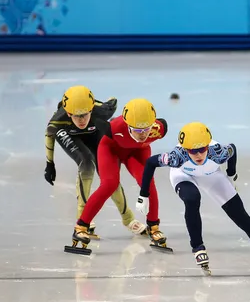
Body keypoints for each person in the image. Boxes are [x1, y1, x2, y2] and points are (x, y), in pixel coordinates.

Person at [136, 122, 250, 275]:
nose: (198, 154)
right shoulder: (177, 156)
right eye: (193, 151)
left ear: (208, 145)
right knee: (192, 199)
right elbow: (151, 163)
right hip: (183, 175)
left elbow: (233, 150)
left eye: (202, 149)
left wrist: (232, 174)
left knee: (241, 217)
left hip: (211, 175)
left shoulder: (217, 152)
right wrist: (144, 194)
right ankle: (198, 247)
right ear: (186, 150)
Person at [64, 98, 170, 255]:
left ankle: (153, 227)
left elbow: (162, 124)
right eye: (137, 130)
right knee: (109, 184)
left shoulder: (158, 129)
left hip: (137, 151)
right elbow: (88, 124)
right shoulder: (113, 128)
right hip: (111, 149)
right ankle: (81, 226)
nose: (143, 134)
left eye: (146, 130)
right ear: (128, 125)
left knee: (148, 184)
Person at [45, 85, 147, 238]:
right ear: (68, 113)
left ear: (91, 109)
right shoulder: (57, 122)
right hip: (69, 134)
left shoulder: (103, 110)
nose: (81, 120)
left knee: (110, 178)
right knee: (86, 163)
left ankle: (128, 219)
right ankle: (83, 219)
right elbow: (49, 137)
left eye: (85, 115)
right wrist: (49, 164)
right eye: (76, 116)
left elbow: (114, 103)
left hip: (94, 134)